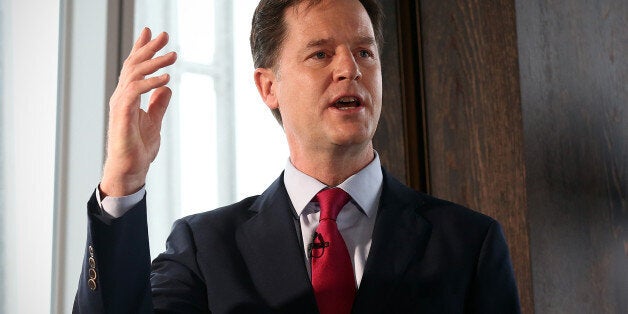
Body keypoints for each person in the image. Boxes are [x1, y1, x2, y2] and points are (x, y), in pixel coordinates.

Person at [73, 0, 521, 313]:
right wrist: (123, 180)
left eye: (365, 51)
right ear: (269, 87)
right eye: (320, 54)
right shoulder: (205, 248)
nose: (350, 69)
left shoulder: (469, 244)